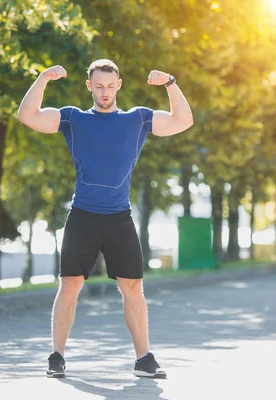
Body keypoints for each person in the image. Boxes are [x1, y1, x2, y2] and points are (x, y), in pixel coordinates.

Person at [16, 59, 193, 379]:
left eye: (110, 86)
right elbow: (27, 116)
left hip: (118, 217)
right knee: (69, 284)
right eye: (98, 86)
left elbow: (183, 120)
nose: (104, 91)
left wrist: (170, 83)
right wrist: (42, 79)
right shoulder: (73, 118)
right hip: (83, 215)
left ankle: (144, 359)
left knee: (134, 287)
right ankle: (56, 356)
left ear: (119, 85)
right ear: (89, 87)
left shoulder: (137, 119)